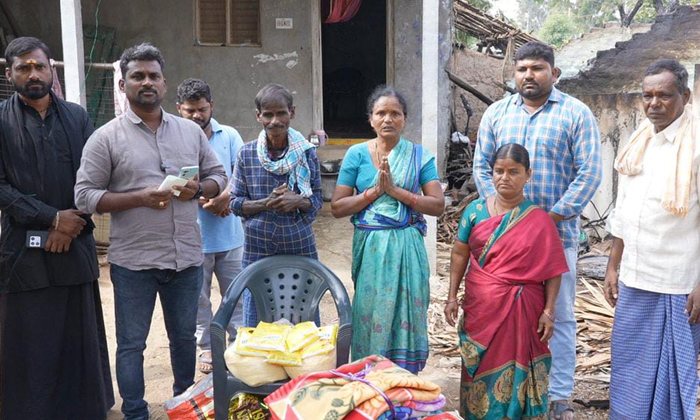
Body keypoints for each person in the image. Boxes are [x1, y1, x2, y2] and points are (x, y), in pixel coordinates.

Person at [75, 43, 227, 420]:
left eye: (154, 76)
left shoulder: (190, 133)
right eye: (138, 76)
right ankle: (136, 412)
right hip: (135, 263)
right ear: (124, 84)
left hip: (186, 258)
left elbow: (218, 176)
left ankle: (182, 405)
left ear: (164, 82)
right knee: (131, 345)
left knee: (183, 341)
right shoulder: (105, 137)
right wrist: (138, 198)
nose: (147, 82)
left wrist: (200, 190)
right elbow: (84, 195)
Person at [473, 41, 602, 419]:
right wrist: (503, 216)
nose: (529, 75)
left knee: (556, 317)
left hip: (555, 240)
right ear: (514, 74)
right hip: (504, 240)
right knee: (503, 315)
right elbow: (483, 168)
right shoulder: (497, 114)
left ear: (554, 73)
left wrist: (549, 218)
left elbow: (590, 172)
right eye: (522, 69)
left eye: (538, 68)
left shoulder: (576, 114)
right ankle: (506, 390)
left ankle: (557, 398)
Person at [0, 36, 114, 419]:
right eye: (23, 67)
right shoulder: (1, 120)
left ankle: (83, 406)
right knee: (29, 332)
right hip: (23, 247)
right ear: (9, 73)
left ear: (52, 70)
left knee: (75, 328)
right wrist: (50, 218)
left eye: (39, 66)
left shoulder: (77, 117)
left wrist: (69, 224)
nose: (33, 74)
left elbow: (91, 178)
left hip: (74, 239)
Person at [604, 59, 700, 419]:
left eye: (664, 95)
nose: (654, 103)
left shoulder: (696, 145)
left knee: (674, 376)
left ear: (685, 96)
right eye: (647, 96)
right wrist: (613, 265)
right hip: (635, 276)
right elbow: (624, 212)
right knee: (629, 362)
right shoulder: (638, 139)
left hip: (679, 283)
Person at [446, 143, 568, 419]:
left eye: (514, 171)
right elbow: (459, 253)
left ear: (528, 174)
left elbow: (553, 271)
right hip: (481, 309)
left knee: (516, 369)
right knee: (479, 367)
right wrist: (452, 296)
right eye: (499, 171)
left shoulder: (539, 220)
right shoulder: (475, 212)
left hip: (523, 310)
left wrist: (549, 311)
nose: (505, 177)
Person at [330, 86, 444, 373]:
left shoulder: (420, 156)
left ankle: (405, 379)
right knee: (369, 310)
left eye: (395, 113)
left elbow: (437, 205)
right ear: (371, 119)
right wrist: (373, 193)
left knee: (406, 312)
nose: (388, 119)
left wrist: (395, 191)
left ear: (405, 119)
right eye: (381, 113)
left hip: (408, 248)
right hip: (370, 249)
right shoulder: (356, 155)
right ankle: (370, 376)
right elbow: (337, 207)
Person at [230, 83, 323, 327]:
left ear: (292, 112)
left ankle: (304, 365)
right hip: (257, 248)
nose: (275, 121)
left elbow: (317, 202)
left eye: (281, 113)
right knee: (256, 315)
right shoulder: (246, 154)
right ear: (258, 116)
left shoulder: (306, 153)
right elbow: (235, 203)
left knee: (305, 313)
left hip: (299, 244)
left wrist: (298, 201)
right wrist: (266, 204)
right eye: (268, 114)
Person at [176, 78, 245, 374]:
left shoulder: (228, 136)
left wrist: (224, 198)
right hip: (193, 237)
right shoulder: (173, 139)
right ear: (179, 109)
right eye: (190, 110)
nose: (196, 116)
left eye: (201, 109)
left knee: (237, 294)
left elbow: (242, 173)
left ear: (211, 106)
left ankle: (239, 343)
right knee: (198, 299)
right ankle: (207, 347)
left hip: (230, 234)